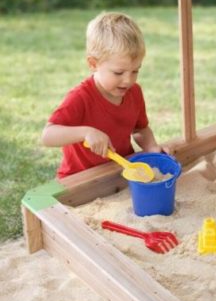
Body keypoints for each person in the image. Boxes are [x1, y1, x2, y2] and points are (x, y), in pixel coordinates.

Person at [41, 11, 168, 177]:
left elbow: (140, 129)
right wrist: (86, 132)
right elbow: (48, 136)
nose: (128, 80)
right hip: (81, 177)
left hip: (122, 170)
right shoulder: (81, 97)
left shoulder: (134, 92)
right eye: (118, 72)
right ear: (93, 64)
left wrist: (151, 147)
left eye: (135, 71)